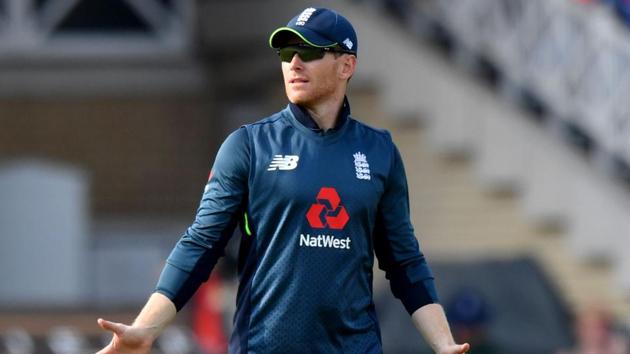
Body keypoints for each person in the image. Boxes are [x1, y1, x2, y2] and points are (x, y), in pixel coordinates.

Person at [96, 7, 470, 354]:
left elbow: (404, 263)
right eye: (286, 52)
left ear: (346, 65)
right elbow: (201, 244)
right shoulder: (248, 145)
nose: (293, 63)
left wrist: (443, 344)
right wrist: (145, 328)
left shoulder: (380, 151)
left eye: (308, 52)